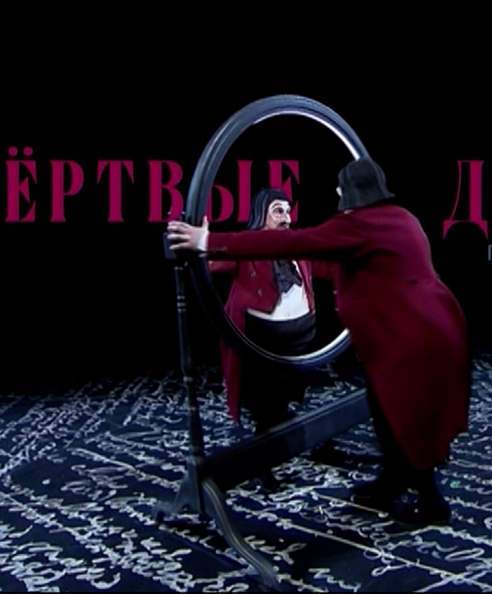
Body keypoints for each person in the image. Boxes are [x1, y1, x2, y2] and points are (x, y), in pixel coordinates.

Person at [169, 157, 471, 525]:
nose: (338, 197)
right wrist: (208, 249)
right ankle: (392, 482)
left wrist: (207, 240)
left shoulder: (359, 224)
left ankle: (431, 503)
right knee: (389, 409)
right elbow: (327, 260)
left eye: (341, 191)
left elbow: (301, 244)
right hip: (437, 327)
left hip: (408, 339)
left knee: (404, 416)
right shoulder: (402, 218)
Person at [208, 187, 332, 434]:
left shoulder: (298, 246)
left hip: (299, 336)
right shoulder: (246, 246)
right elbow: (215, 258)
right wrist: (201, 242)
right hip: (261, 337)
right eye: (277, 211)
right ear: (261, 214)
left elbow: (326, 266)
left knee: (286, 388)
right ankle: (267, 436)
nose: (286, 218)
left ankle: (279, 420)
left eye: (287, 211)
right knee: (264, 396)